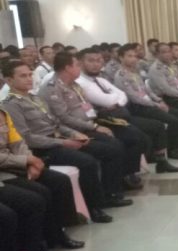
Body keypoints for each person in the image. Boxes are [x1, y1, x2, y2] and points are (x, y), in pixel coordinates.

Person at [1, 61, 119, 223]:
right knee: (87, 162)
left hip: (58, 139)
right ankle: (94, 208)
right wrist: (62, 143)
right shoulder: (11, 105)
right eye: (23, 76)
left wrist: (74, 133)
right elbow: (27, 138)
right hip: (42, 148)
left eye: (30, 74)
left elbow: (56, 123)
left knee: (108, 149)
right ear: (9, 80)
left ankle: (108, 194)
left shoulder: (35, 98)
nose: (29, 79)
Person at [39, 52, 143, 191]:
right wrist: (94, 126)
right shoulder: (52, 88)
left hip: (89, 123)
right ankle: (111, 191)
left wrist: (96, 124)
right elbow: (63, 118)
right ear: (67, 68)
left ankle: (119, 183)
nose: (80, 67)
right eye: (77, 65)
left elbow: (87, 106)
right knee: (113, 148)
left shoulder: (74, 84)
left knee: (127, 136)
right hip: (72, 131)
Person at [77, 48, 178, 173]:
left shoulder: (102, 80)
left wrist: (117, 102)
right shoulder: (84, 82)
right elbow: (116, 99)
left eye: (98, 60)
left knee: (158, 126)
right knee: (139, 137)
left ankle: (160, 162)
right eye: (91, 61)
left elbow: (124, 95)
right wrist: (116, 100)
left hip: (121, 113)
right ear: (80, 62)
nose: (96, 64)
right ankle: (130, 172)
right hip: (110, 117)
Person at [0, 105, 85, 251]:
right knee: (36, 197)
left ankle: (57, 234)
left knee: (59, 181)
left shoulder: (3, 113)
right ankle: (35, 248)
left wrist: (30, 161)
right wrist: (26, 161)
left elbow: (18, 143)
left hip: (17, 163)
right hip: (5, 170)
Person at [114, 43, 178, 161]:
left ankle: (176, 146)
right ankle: (171, 150)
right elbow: (134, 97)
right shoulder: (121, 75)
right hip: (136, 108)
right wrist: (156, 104)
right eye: (129, 56)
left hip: (149, 104)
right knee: (172, 120)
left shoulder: (134, 72)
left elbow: (146, 91)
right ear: (121, 58)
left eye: (135, 56)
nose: (133, 59)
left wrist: (158, 100)